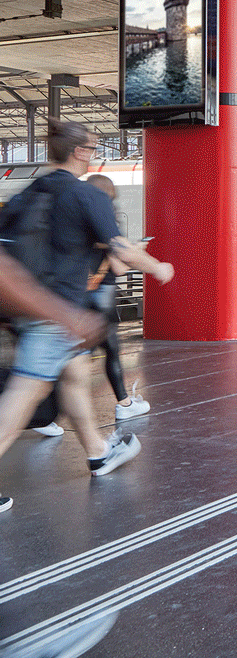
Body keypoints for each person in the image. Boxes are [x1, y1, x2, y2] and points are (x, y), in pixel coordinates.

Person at [0, 119, 174, 513]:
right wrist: (159, 267)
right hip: (59, 314)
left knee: (76, 375)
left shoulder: (29, 192)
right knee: (23, 395)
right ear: (80, 152)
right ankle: (96, 450)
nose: (94, 153)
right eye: (93, 147)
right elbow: (122, 251)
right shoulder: (85, 196)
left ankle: (97, 451)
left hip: (28, 309)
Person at [84, 174, 151, 422]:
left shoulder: (77, 217)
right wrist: (136, 252)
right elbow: (119, 266)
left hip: (78, 290)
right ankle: (124, 404)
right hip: (103, 293)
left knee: (79, 354)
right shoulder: (104, 217)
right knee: (109, 349)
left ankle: (44, 412)